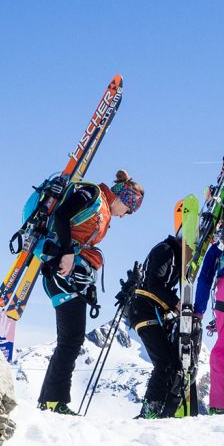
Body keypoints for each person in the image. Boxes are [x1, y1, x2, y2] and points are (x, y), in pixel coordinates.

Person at [37, 170, 145, 415]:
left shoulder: (102, 207)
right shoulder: (93, 195)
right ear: (124, 198)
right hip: (61, 271)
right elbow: (62, 215)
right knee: (72, 340)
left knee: (70, 339)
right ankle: (54, 402)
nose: (125, 215)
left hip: (69, 274)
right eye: (129, 210)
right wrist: (67, 252)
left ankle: (48, 401)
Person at [123, 201, 185, 419]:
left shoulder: (178, 256)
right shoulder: (165, 250)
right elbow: (154, 283)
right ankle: (150, 411)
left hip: (154, 310)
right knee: (164, 362)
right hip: (144, 308)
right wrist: (176, 303)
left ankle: (162, 409)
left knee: (172, 363)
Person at [193, 233, 224, 414]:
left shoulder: (221, 244)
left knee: (222, 352)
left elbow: (205, 277)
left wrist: (199, 310)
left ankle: (219, 407)